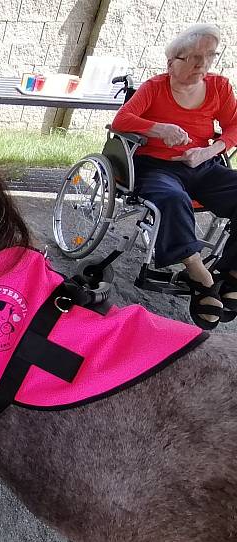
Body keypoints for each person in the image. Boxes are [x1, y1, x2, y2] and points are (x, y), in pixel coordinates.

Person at [111, 23, 237, 330]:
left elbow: (234, 126)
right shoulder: (154, 87)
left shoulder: (220, 87)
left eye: (208, 56)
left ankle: (230, 274)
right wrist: (159, 128)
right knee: (172, 198)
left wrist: (208, 151)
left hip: (203, 165)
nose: (202, 64)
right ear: (172, 62)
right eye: (193, 57)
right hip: (156, 167)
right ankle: (198, 274)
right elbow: (121, 119)